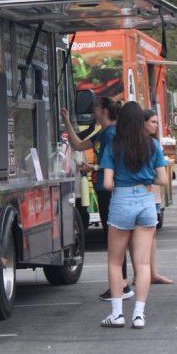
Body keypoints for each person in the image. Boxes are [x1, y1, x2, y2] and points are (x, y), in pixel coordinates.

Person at [98, 102, 168, 328]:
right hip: (146, 202)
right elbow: (163, 180)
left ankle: (117, 314)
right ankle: (139, 314)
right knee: (143, 264)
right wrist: (146, 180)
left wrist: (121, 180)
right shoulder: (153, 145)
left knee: (115, 262)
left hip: (122, 201)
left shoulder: (113, 145)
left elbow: (107, 184)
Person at [61, 96, 131, 299]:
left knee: (114, 237)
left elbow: (116, 162)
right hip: (102, 188)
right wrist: (66, 120)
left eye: (95, 109)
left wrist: (95, 167)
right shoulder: (102, 133)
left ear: (102, 111)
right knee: (113, 236)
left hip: (110, 190)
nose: (93, 112)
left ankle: (122, 285)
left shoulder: (113, 134)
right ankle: (121, 284)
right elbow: (78, 145)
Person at [143, 109, 174, 285]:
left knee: (151, 236)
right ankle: (146, 273)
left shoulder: (153, 144)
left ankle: (151, 272)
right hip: (148, 194)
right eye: (153, 122)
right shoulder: (151, 145)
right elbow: (161, 178)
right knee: (146, 236)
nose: (156, 125)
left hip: (153, 195)